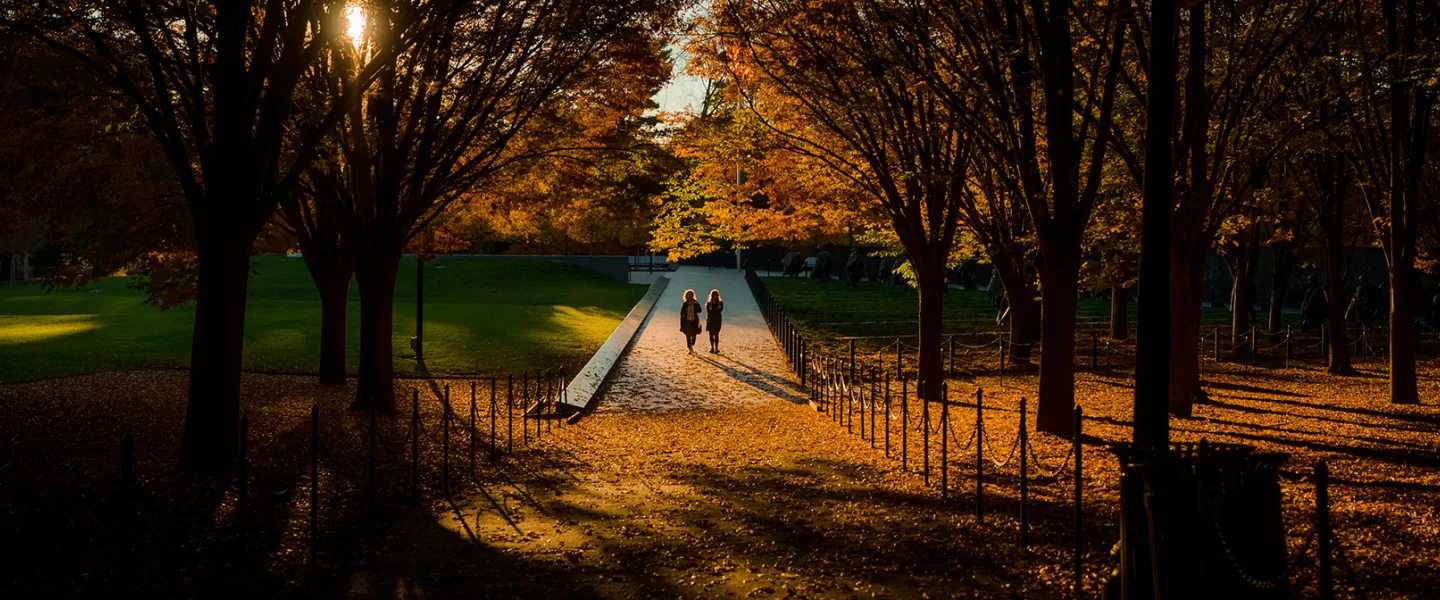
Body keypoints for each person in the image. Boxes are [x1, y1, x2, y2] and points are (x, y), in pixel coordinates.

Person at [680, 289, 703, 353]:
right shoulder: (685, 304)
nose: (690, 296)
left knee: (694, 334)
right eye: (688, 295)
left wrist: (697, 304)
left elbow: (700, 310)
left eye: (691, 295)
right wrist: (681, 324)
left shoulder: (695, 302)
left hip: (694, 321)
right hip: (687, 321)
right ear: (686, 296)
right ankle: (690, 349)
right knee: (688, 335)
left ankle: (692, 344)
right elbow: (681, 314)